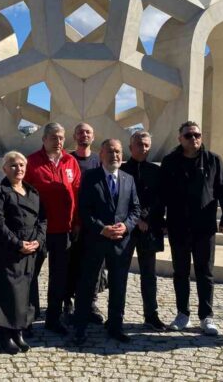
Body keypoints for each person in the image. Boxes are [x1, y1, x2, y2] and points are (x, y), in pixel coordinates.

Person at [154, 121, 223, 335]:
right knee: (180, 271)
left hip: (204, 227)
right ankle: (183, 314)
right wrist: (160, 220)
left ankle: (206, 316)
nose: (194, 139)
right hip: (178, 226)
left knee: (205, 271)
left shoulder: (213, 161)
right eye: (188, 135)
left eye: (197, 135)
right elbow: (161, 194)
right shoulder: (170, 162)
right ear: (180, 139)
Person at [73, 138, 140, 345]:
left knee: (119, 285)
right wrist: (102, 228)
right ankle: (80, 328)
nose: (115, 156)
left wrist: (126, 226)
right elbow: (84, 210)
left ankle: (115, 326)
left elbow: (135, 209)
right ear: (101, 155)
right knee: (87, 285)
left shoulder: (128, 179)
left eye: (118, 152)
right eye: (110, 152)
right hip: (95, 240)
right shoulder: (89, 177)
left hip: (121, 242)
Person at [0, 151, 46, 354]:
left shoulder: (33, 192)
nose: (18, 168)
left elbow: (42, 220)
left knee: (25, 293)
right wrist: (17, 243)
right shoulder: (0, 192)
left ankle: (19, 332)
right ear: (4, 169)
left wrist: (38, 240)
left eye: (21, 165)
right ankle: (5, 335)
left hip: (31, 250)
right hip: (9, 250)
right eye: (13, 165)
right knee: (7, 293)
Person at [25, 122, 81, 336]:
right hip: (38, 230)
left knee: (59, 276)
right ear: (44, 139)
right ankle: (28, 319)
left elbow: (76, 194)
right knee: (31, 275)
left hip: (63, 229)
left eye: (61, 137)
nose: (58, 141)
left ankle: (54, 318)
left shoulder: (70, 162)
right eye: (53, 137)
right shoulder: (32, 162)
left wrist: (77, 223)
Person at [120, 131, 168, 331]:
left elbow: (161, 199)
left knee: (149, 274)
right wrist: (136, 219)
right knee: (119, 273)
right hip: (126, 229)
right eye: (139, 144)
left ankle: (151, 314)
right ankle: (116, 315)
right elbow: (120, 200)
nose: (143, 148)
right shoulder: (121, 170)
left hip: (149, 229)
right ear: (131, 147)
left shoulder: (156, 171)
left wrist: (146, 218)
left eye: (146, 145)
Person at [67, 122, 106, 324]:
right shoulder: (67, 159)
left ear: (93, 136)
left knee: (94, 267)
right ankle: (68, 303)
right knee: (71, 264)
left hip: (94, 224)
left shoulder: (99, 160)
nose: (84, 135)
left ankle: (90, 302)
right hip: (72, 222)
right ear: (74, 136)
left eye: (88, 132)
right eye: (80, 132)